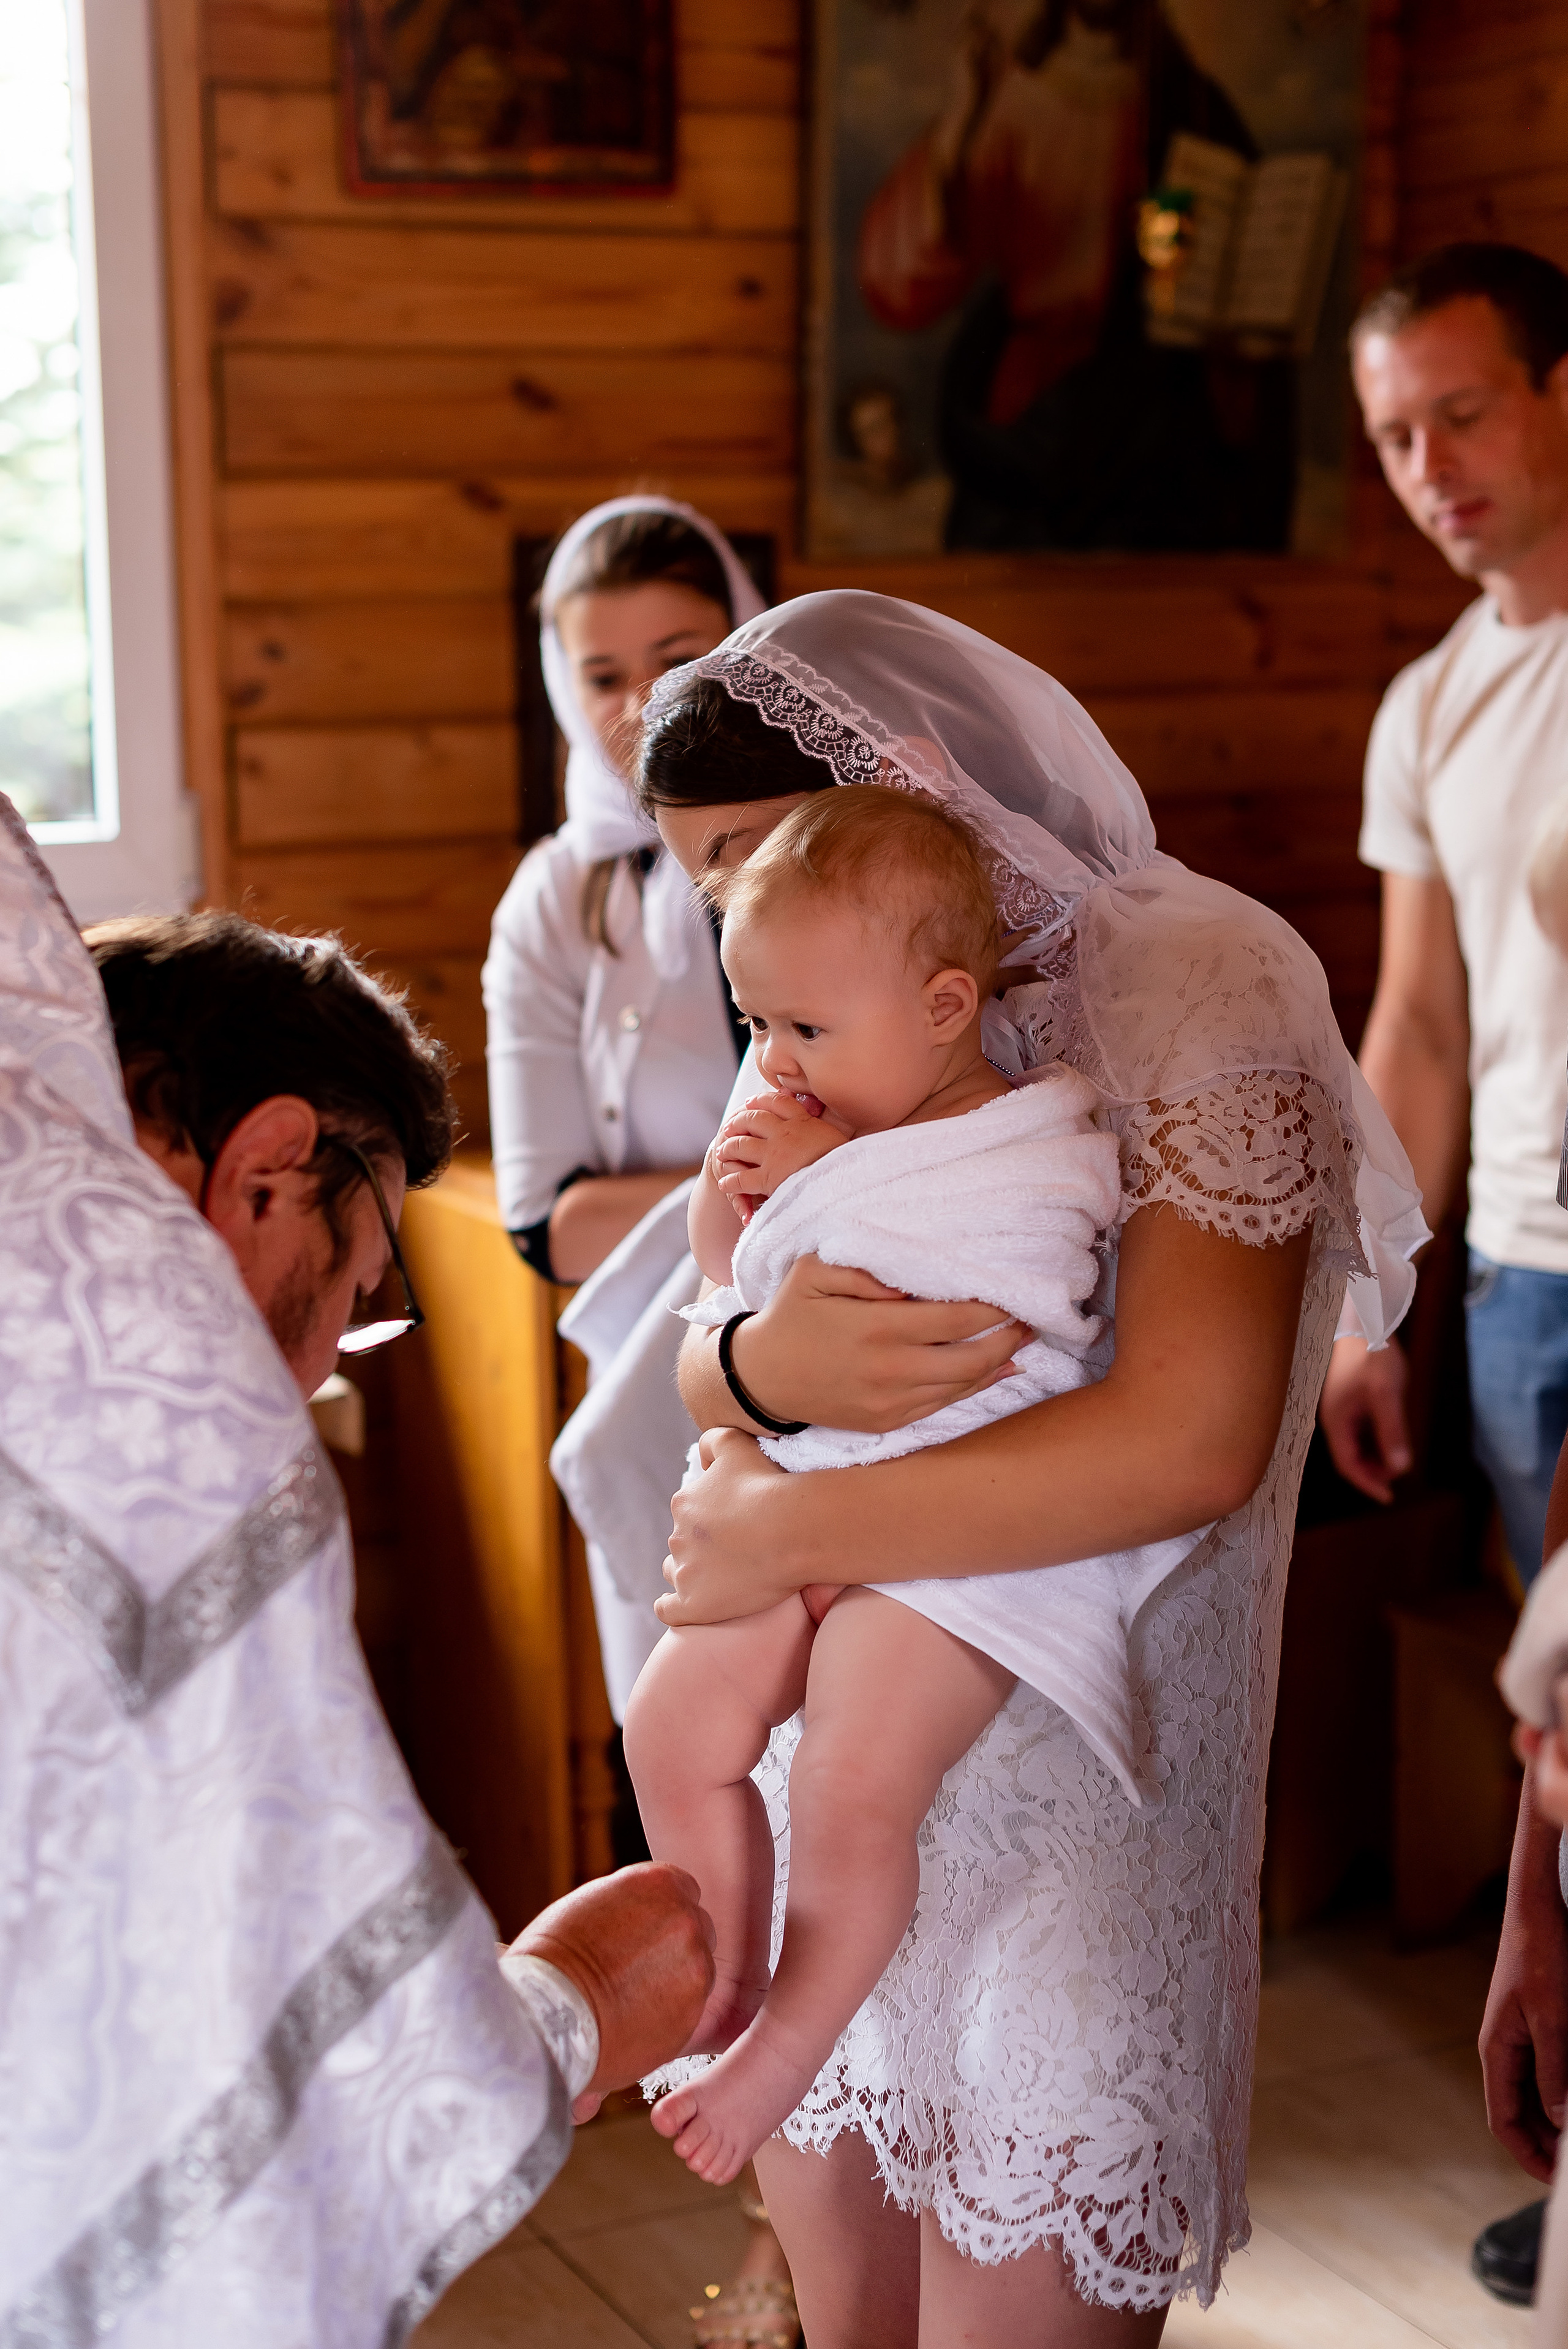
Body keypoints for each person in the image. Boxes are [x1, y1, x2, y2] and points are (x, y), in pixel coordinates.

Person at [626, 589, 1424, 2345]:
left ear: (903, 779)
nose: (744, 912)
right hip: (824, 1705)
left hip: (1068, 1733)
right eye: (709, 884)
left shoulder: (1195, 974)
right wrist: (748, 1367)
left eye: (755, 851)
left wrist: (779, 1526)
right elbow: (727, 1313)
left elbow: (1190, 1436)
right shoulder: (816, 1007)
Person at [0, 798, 714, 2343]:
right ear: (269, 1169)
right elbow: (313, 2065)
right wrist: (578, 1999)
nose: (326, 1356)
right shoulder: (162, 1416)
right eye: (361, 1284)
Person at [627, 784, 1208, 2188]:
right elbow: (728, 1284)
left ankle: (786, 2047)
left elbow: (980, 1298)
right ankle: (727, 1973)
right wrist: (744, 1190)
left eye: (804, 1030)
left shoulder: (1027, 1142)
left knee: (851, 1774)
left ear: (947, 1006)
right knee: (667, 1723)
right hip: (809, 1485)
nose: (775, 1062)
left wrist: (832, 1178)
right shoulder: (819, 1106)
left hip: (954, 1540)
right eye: (755, 1024)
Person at [1319, 243, 1568, 2306]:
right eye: (1396, 436)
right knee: (1560, 1734)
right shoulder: (1432, 702)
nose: (1429, 468)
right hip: (1515, 1281)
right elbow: (1415, 1027)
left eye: (1463, 413)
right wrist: (1363, 1301)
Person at [483, 494, 766, 1723]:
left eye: (678, 656)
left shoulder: (843, 844)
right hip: (671, 1368)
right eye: (601, 674)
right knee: (696, 1732)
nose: (640, 704)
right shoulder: (555, 902)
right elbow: (547, 1222)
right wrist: (766, 1189)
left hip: (872, 1315)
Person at [856, 0, 1292, 551]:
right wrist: (959, 124)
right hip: (1039, 408)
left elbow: (1242, 264)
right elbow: (905, 281)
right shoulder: (1012, 102)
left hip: (1155, 408)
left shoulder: (1187, 102)